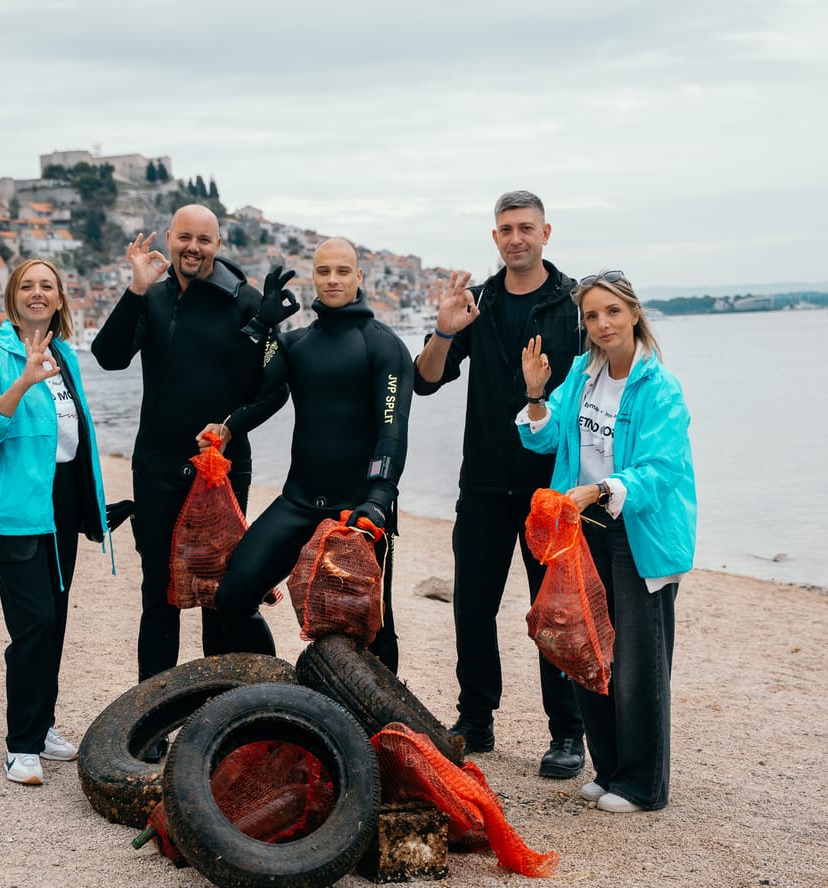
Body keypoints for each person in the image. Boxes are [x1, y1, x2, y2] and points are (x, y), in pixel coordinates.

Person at [91, 204, 289, 750]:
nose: (193, 247)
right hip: (157, 468)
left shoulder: (247, 302)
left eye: (204, 239)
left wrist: (230, 427)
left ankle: (220, 724)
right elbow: (108, 357)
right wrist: (135, 289)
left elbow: (275, 389)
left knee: (220, 595)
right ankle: (150, 724)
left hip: (221, 469)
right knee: (159, 595)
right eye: (184, 237)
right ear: (170, 239)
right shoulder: (151, 297)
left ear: (218, 243)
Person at [413, 190, 586, 778]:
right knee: (472, 607)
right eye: (507, 229)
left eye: (526, 228)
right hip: (484, 482)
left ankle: (568, 733)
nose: (517, 238)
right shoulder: (478, 303)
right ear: (495, 237)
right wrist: (443, 331)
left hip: (551, 489)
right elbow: (426, 380)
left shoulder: (573, 305)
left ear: (545, 233)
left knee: (554, 612)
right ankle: (476, 719)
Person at [517, 269, 696, 812]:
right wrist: (535, 394)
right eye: (592, 315)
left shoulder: (660, 387)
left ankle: (642, 785)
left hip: (637, 530)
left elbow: (661, 471)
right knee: (587, 648)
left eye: (612, 311)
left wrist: (599, 490)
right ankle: (610, 769)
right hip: (583, 527)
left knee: (639, 662)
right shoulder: (582, 373)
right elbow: (546, 438)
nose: (602, 324)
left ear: (634, 313)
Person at [213, 238, 412, 671]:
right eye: (324, 271)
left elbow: (392, 430)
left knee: (372, 624)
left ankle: (376, 712)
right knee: (232, 597)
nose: (333, 279)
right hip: (299, 501)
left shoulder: (384, 345)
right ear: (313, 277)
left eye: (342, 270)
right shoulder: (295, 343)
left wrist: (379, 498)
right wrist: (260, 327)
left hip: (358, 508)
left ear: (359, 276)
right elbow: (249, 390)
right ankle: (273, 690)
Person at [0, 259, 109, 786]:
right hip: (13, 508)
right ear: (13, 296)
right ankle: (20, 744)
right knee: (34, 624)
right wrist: (23, 381)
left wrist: (94, 503)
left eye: (47, 285)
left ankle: (42, 725)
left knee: (57, 619)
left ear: (61, 298)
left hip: (61, 501)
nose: (37, 293)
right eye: (27, 285)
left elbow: (75, 436)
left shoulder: (64, 355)